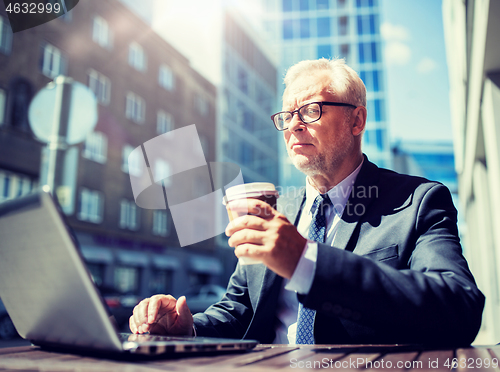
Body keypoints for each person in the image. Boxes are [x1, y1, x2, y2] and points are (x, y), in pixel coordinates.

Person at [129, 58, 484, 346]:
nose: (294, 126)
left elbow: (459, 307)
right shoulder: (275, 208)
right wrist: (187, 329)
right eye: (286, 116)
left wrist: (306, 261)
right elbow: (240, 310)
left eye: (311, 110)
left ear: (356, 119)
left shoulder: (417, 202)